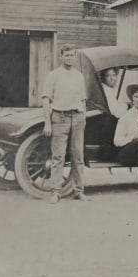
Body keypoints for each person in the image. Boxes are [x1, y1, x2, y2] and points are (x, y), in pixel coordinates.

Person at [41, 46, 89, 202]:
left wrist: (83, 117)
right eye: (67, 55)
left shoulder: (79, 76)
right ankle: (55, 192)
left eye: (72, 55)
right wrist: (47, 123)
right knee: (58, 156)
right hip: (59, 117)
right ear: (61, 57)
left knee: (78, 156)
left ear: (75, 57)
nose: (69, 58)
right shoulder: (53, 75)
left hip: (77, 117)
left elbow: (83, 99)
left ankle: (78, 190)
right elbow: (46, 99)